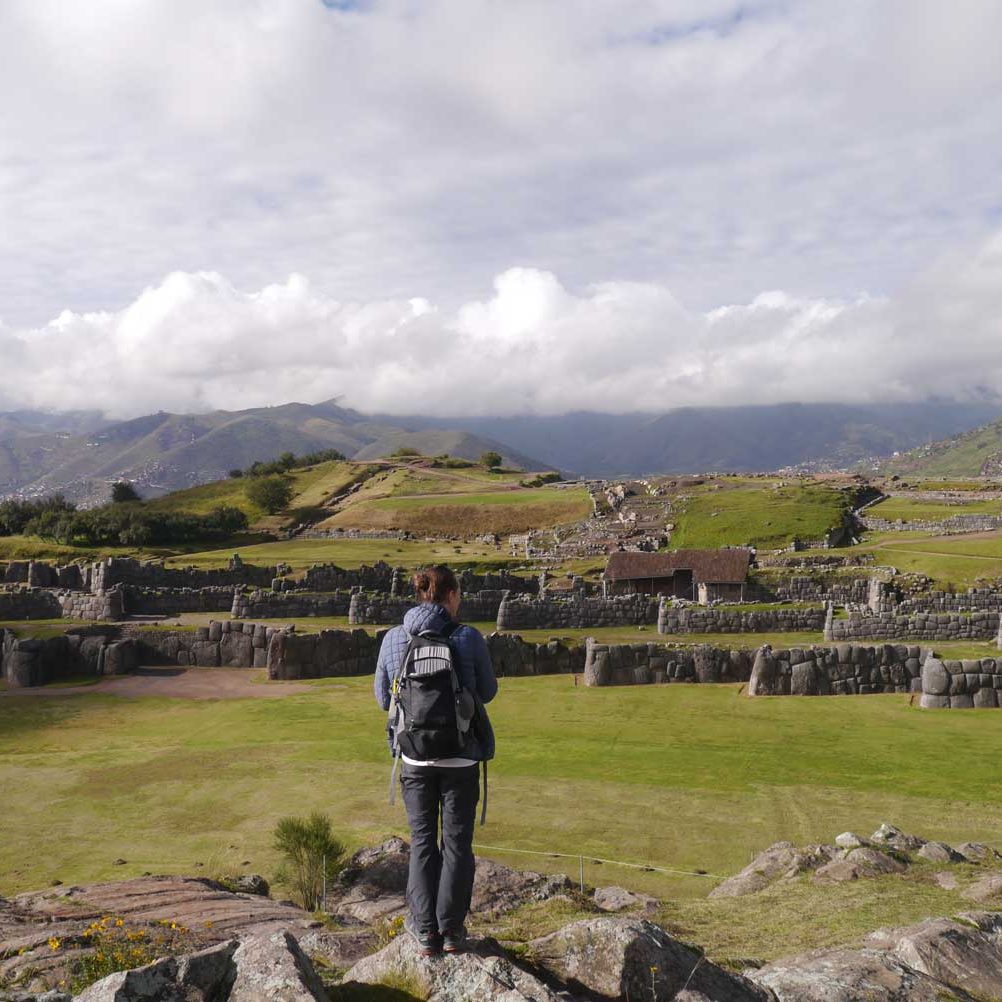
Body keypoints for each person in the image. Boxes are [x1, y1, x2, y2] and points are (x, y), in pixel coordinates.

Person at [374, 564, 497, 956]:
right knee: (458, 844)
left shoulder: (394, 638)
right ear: (451, 595)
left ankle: (425, 930)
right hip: (461, 759)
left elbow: (383, 699)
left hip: (415, 759)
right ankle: (452, 932)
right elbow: (489, 691)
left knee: (423, 841)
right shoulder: (468, 637)